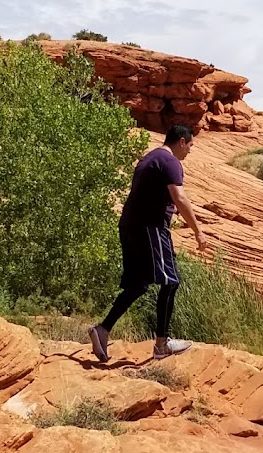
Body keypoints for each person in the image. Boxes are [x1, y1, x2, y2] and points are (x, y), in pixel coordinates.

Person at [89, 124, 209, 363]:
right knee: (171, 281)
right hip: (150, 227)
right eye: (190, 145)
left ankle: (102, 330)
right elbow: (179, 197)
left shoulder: (149, 158)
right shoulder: (170, 162)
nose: (190, 151)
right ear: (181, 141)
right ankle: (162, 345)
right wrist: (198, 232)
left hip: (129, 226)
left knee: (138, 285)